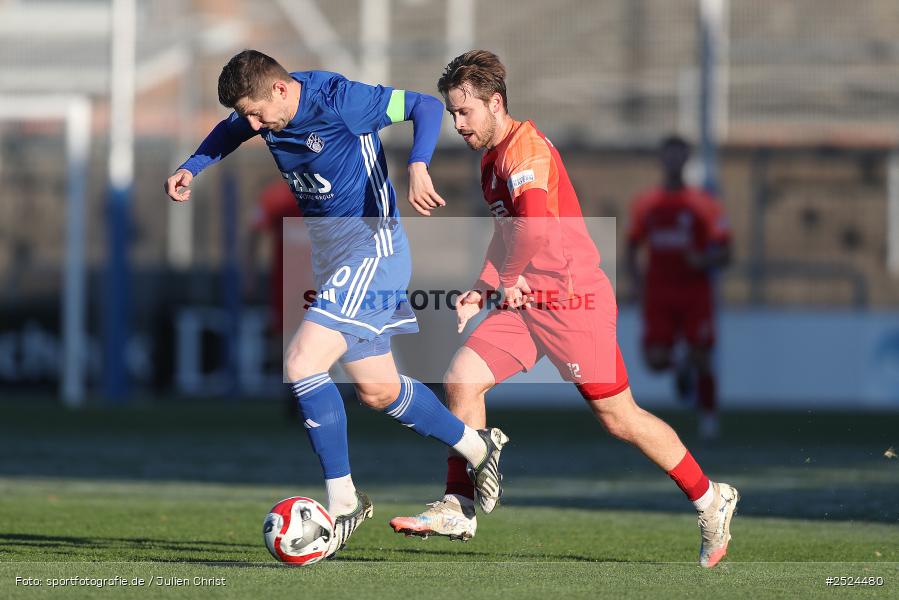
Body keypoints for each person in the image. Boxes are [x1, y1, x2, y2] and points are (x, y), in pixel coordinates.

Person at [388, 50, 739, 568]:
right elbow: (506, 236)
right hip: (525, 300)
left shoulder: (524, 152)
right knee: (461, 378)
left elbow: (534, 229)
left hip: (572, 300)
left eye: (464, 112)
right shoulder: (491, 160)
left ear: (495, 103)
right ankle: (459, 505)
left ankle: (711, 498)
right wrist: (482, 290)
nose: (456, 123)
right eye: (452, 113)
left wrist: (504, 283)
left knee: (619, 418)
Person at [164, 50, 508, 557]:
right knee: (378, 390)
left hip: (373, 248)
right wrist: (193, 166)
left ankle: (344, 501)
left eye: (258, 113)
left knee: (302, 362)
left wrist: (417, 165)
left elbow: (422, 107)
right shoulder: (262, 114)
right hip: (335, 258)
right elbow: (230, 130)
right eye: (248, 116)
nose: (255, 125)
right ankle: (480, 447)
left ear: (281, 89)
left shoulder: (340, 99)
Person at [627, 136, 731, 440]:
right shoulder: (646, 204)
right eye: (668, 155)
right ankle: (680, 366)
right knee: (654, 360)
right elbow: (632, 248)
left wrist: (703, 259)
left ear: (686, 160)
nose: (673, 161)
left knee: (702, 356)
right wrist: (637, 283)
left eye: (679, 156)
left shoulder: (704, 204)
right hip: (659, 290)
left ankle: (709, 419)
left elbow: (726, 252)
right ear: (662, 159)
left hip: (693, 291)